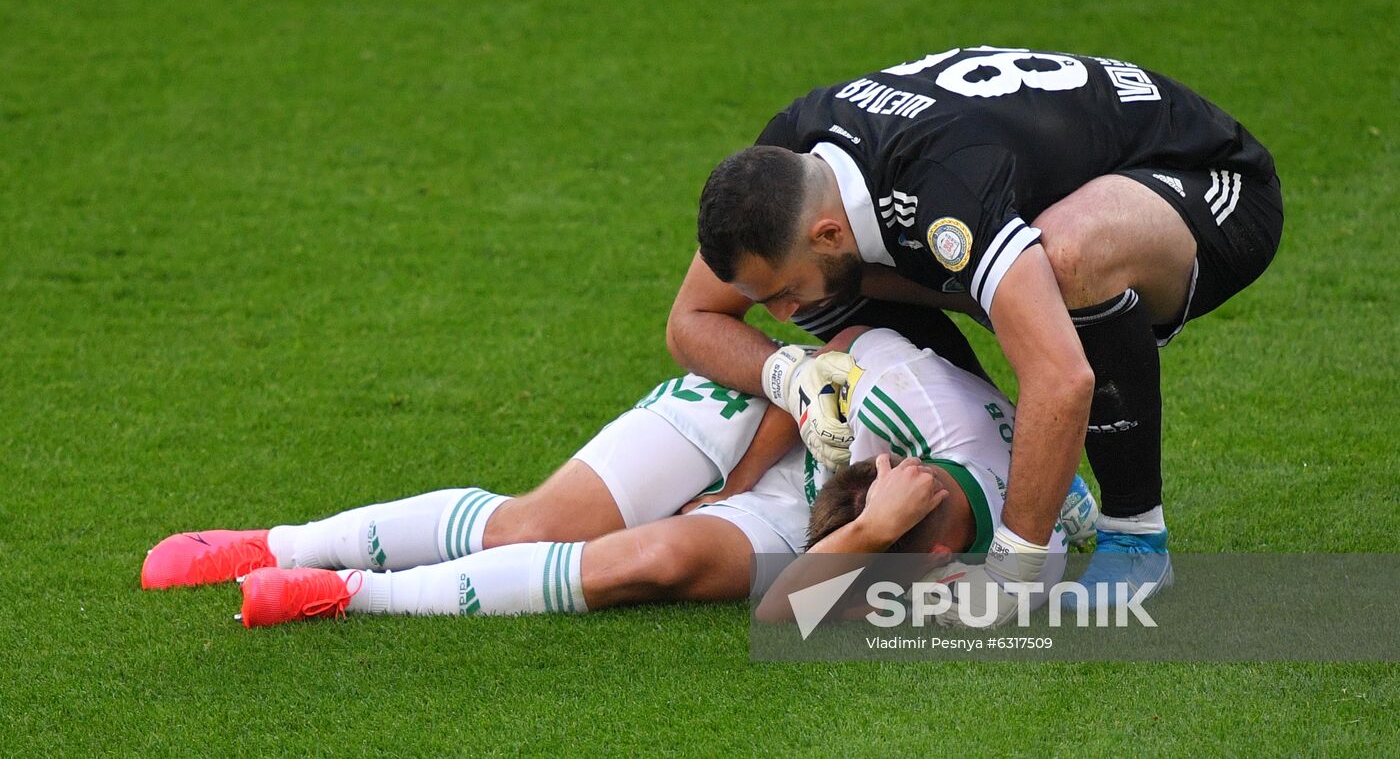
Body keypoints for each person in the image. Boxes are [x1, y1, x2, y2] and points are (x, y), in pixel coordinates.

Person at [674, 45, 1283, 623]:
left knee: (1066, 258)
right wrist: (796, 379)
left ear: (828, 230)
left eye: (777, 292)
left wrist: (1011, 573)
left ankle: (1136, 536)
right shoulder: (786, 165)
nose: (778, 315)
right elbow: (690, 322)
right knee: (836, 286)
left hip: (1207, 180)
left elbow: (1063, 377)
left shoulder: (941, 190)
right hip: (1014, 181)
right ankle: (1028, 460)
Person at [141, 328, 1095, 627]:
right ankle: (277, 541)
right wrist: (739, 478)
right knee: (534, 526)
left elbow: (783, 617)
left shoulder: (1002, 570)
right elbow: (814, 359)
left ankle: (347, 593)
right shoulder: (909, 394)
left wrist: (855, 538)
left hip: (827, 501)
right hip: (766, 423)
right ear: (909, 480)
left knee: (655, 561)